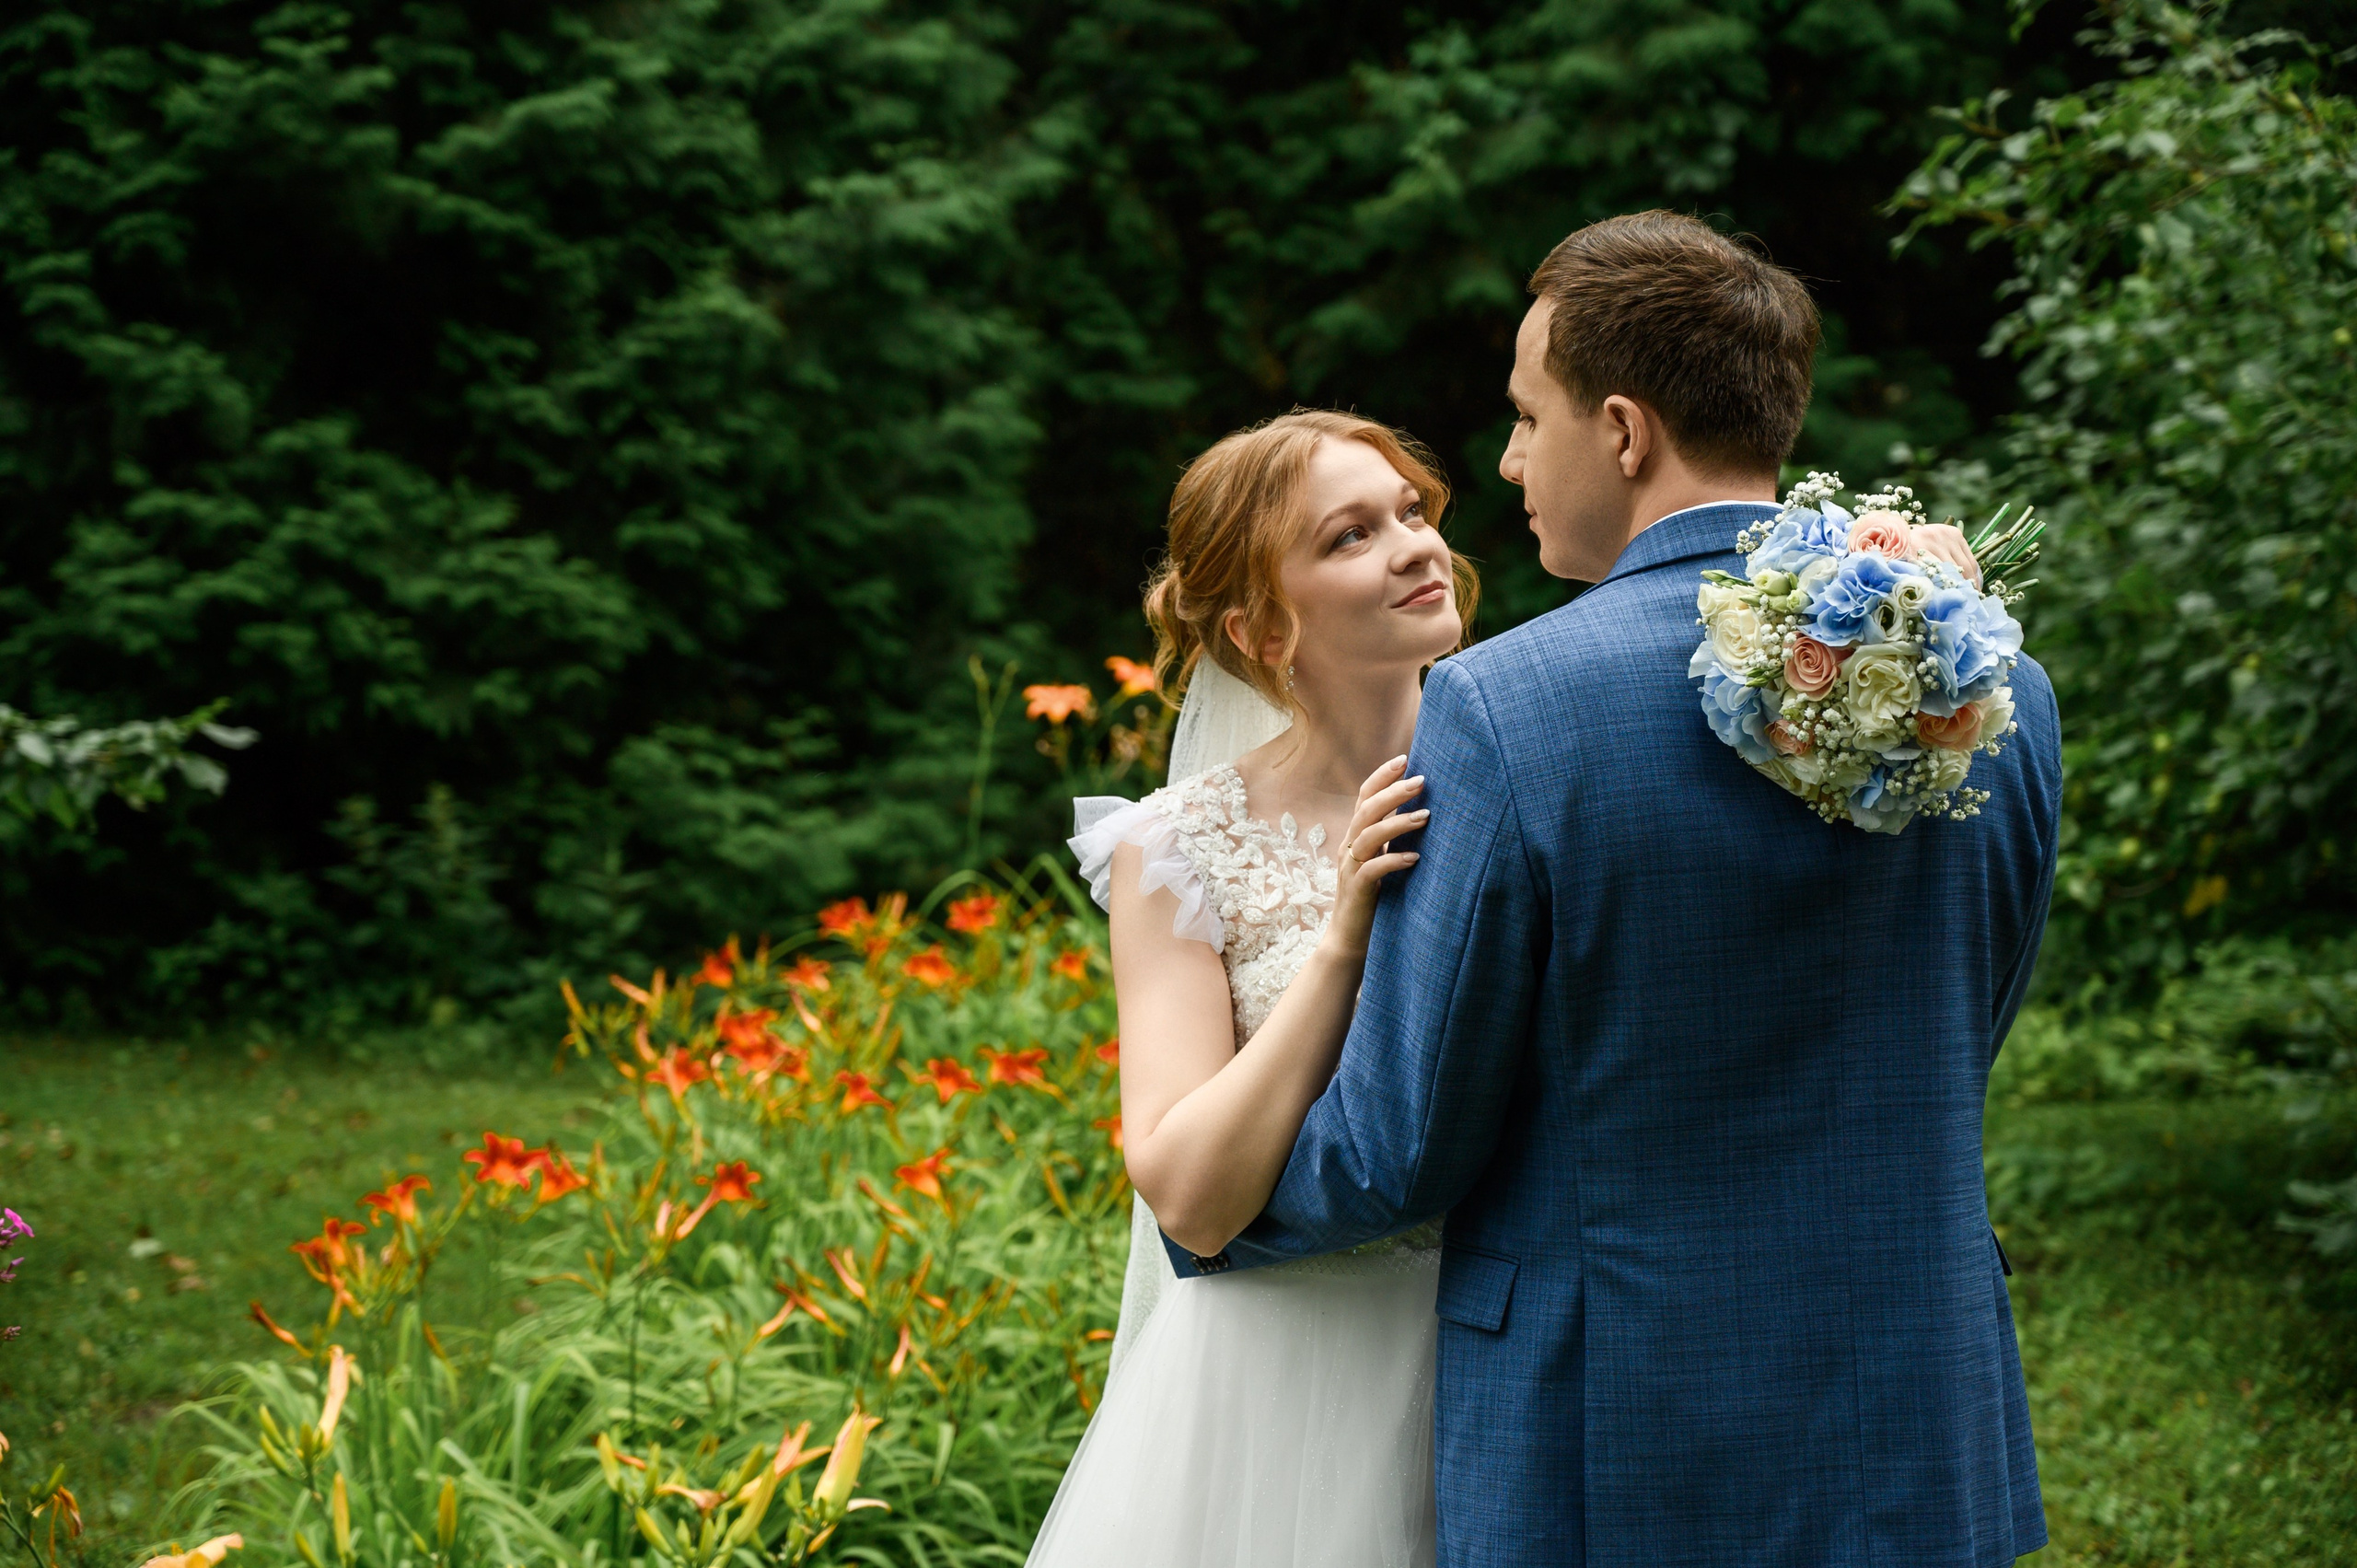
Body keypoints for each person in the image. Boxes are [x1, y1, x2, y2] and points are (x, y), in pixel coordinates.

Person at [1169, 209, 2061, 1566]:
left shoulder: (1503, 711)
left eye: (1530, 416)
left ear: (1626, 432)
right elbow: (1966, 1015)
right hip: (1915, 1405)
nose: (1512, 459)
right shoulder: (1992, 683)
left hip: (1615, 1427)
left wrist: (1212, 1206)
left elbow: (1409, 1138)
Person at [1026, 408, 1479, 1567]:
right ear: (1260, 625)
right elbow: (1187, 1192)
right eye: (1350, 535)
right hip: (1284, 1387)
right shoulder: (1177, 848)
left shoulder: (1526, 775)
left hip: (1500, 1353)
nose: (1416, 545)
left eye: (1412, 511)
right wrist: (1338, 942)